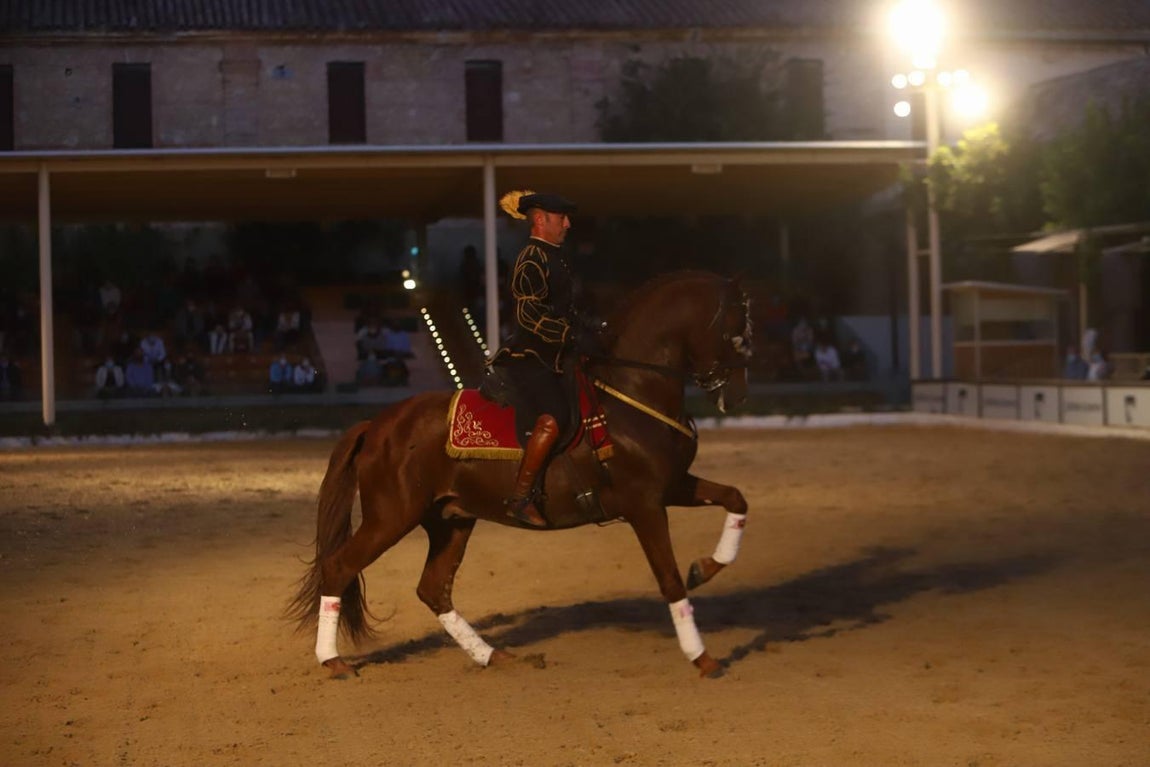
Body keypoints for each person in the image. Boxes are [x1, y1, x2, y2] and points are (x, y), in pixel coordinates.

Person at [489, 190, 603, 527]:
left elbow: (564, 310)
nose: (568, 224)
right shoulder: (531, 257)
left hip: (554, 354)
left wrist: (589, 329)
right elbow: (529, 315)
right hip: (530, 358)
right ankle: (521, 498)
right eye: (561, 217)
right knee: (553, 417)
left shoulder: (556, 256)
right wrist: (568, 334)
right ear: (540, 219)